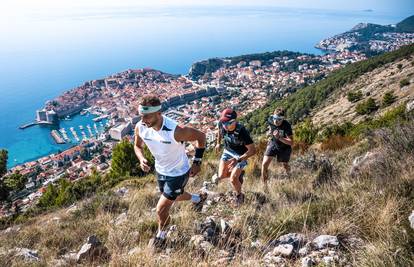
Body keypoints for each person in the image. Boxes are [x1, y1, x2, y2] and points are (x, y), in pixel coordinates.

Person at [134, 95, 207, 250]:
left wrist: (197, 162)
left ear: (159, 112)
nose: (143, 119)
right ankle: (197, 198)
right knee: (176, 196)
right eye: (141, 115)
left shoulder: (176, 131)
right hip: (161, 170)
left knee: (161, 209)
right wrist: (141, 159)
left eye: (147, 116)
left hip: (179, 172)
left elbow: (201, 137)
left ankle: (162, 236)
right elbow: (137, 146)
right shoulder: (140, 127)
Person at [213, 108, 256, 206]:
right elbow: (219, 131)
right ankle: (239, 175)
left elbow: (252, 150)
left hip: (241, 155)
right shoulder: (222, 124)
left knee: (233, 179)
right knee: (221, 176)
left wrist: (238, 159)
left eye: (227, 123)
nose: (224, 125)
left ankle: (239, 195)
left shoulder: (242, 132)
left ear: (234, 121)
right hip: (228, 151)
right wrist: (218, 143)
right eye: (223, 122)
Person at [261, 107, 294, 185]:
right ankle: (264, 186)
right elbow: (270, 126)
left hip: (284, 147)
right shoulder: (270, 119)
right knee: (264, 164)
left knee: (285, 165)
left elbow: (291, 142)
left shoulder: (287, 125)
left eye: (279, 119)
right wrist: (269, 132)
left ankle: (290, 176)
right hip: (273, 143)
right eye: (275, 118)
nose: (276, 121)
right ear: (273, 116)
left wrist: (279, 137)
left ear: (283, 119)